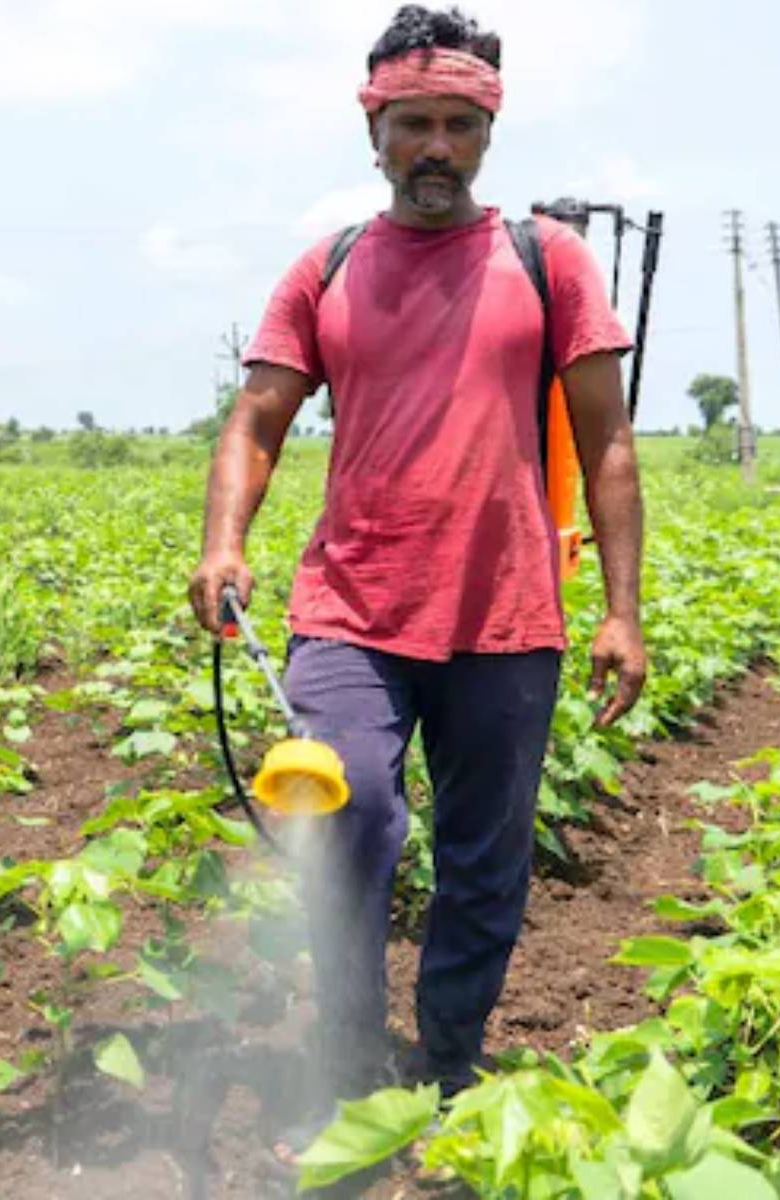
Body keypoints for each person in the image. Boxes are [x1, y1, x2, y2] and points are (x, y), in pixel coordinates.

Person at [189, 1, 647, 1151]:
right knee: (347, 813)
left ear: (486, 131)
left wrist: (624, 611)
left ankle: (447, 1063)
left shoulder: (550, 262)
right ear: (374, 130)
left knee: (486, 863)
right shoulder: (328, 268)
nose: (434, 146)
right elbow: (256, 420)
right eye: (412, 124)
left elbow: (609, 443)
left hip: (509, 618)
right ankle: (348, 1058)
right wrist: (224, 540)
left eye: (456, 124)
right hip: (352, 608)